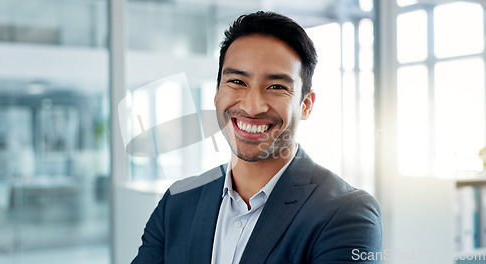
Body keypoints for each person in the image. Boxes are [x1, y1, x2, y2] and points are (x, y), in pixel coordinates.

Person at [132, 11, 382, 264]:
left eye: (276, 87)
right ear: (217, 92)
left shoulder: (346, 213)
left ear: (305, 105)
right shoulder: (177, 202)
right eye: (237, 81)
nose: (252, 107)